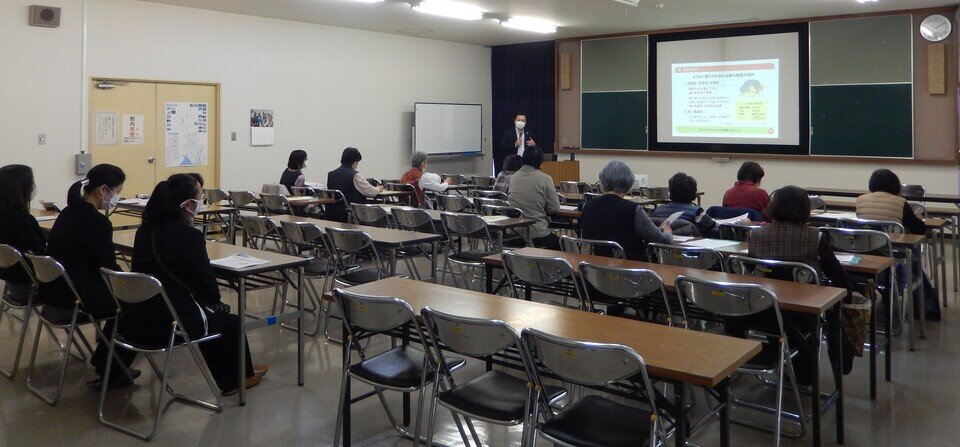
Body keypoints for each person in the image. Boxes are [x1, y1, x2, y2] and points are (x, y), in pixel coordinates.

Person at [126, 174, 266, 395]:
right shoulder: (188, 235)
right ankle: (235, 380)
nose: (202, 202)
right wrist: (213, 300)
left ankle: (241, 371)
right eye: (201, 198)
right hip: (171, 321)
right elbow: (205, 281)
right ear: (188, 204)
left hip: (139, 317)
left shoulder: (144, 230)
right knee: (229, 321)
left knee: (210, 316)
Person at [745, 185, 853, 384]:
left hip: (763, 310)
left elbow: (752, 270)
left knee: (781, 318)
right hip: (804, 314)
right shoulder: (814, 236)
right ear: (805, 209)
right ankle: (803, 372)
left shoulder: (756, 235)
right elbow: (838, 276)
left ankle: (784, 357)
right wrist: (849, 297)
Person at [45, 164, 141, 387]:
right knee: (135, 305)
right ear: (103, 190)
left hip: (56, 293)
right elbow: (107, 268)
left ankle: (106, 362)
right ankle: (113, 369)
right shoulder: (98, 222)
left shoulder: (67, 213)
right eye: (117, 191)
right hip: (79, 297)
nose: (117, 197)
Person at [855, 169, 938, 320]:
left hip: (866, 253)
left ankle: (890, 290)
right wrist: (918, 218)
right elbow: (918, 229)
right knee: (911, 258)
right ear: (895, 185)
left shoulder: (861, 200)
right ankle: (925, 306)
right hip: (892, 253)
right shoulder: (900, 202)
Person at [581, 160, 672, 261]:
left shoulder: (588, 206)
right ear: (628, 183)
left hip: (593, 266)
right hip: (628, 268)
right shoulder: (633, 210)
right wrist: (667, 231)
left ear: (603, 180)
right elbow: (662, 241)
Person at [0, 164, 45, 305]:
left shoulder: (5, 215)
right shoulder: (22, 220)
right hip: (29, 284)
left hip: (11, 279)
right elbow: (39, 253)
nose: (33, 187)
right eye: (32, 183)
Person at [507, 147, 561, 249]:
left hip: (514, 232)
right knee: (563, 245)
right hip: (537, 234)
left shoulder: (513, 178)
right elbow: (553, 209)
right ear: (540, 162)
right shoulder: (546, 179)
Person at [326, 147, 382, 221]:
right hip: (351, 213)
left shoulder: (331, 174)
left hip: (332, 212)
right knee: (377, 205)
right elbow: (371, 192)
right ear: (355, 162)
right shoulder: (355, 175)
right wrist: (379, 188)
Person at [653, 172, 717, 236]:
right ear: (693, 192)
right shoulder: (697, 212)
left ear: (670, 192)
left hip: (666, 241)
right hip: (692, 241)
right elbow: (711, 225)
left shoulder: (658, 210)